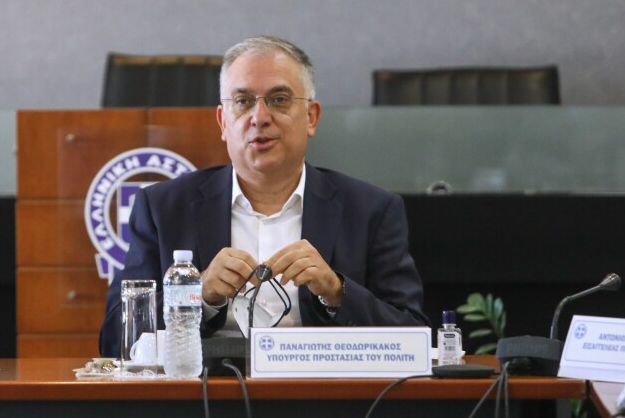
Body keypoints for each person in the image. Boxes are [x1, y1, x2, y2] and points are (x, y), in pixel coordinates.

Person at [99, 36, 426, 357]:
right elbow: (115, 339)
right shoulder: (163, 209)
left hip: (321, 387)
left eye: (279, 99)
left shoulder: (371, 211)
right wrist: (198, 295)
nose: (260, 117)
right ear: (223, 122)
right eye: (243, 101)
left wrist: (337, 292)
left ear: (311, 117)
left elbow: (415, 335)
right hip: (207, 389)